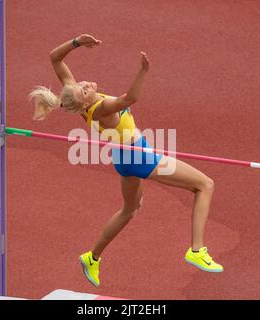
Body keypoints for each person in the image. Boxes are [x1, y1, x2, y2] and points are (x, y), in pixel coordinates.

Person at [29, 34, 223, 287]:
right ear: (85, 101)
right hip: (139, 157)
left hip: (123, 158)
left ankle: (92, 257)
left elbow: (54, 57)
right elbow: (131, 99)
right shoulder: (100, 109)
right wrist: (143, 71)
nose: (86, 84)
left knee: (130, 209)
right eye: (84, 89)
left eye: (83, 85)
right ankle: (197, 250)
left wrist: (76, 42)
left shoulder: (73, 96)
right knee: (204, 185)